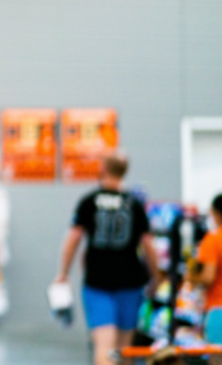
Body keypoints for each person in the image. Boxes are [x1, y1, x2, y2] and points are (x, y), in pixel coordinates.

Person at [54, 154, 160, 365]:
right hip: (130, 281)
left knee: (104, 346)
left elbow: (73, 239)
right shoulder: (135, 204)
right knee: (124, 349)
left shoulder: (89, 201)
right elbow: (148, 245)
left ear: (102, 169)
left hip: (98, 281)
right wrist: (157, 277)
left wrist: (63, 273)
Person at [190, 193, 222, 349]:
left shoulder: (213, 238)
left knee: (219, 360)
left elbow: (208, 277)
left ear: (217, 214)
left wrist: (192, 276)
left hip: (220, 309)